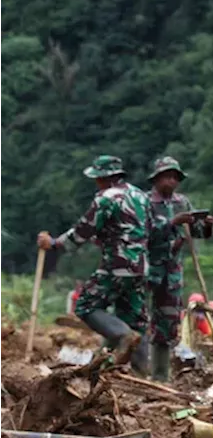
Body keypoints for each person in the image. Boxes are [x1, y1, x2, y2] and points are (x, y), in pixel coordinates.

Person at [38, 156, 152, 371]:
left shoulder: (106, 198)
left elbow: (82, 231)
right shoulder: (140, 196)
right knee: (136, 319)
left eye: (97, 179)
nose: (96, 184)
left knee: (86, 305)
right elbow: (142, 230)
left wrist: (54, 243)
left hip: (117, 265)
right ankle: (144, 374)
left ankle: (123, 336)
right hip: (140, 267)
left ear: (105, 178)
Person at [145, 156, 213, 381]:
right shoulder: (144, 202)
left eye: (174, 178)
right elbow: (142, 233)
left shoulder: (181, 202)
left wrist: (206, 226)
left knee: (167, 323)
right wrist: (172, 222)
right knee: (135, 317)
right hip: (146, 269)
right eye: (166, 177)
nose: (171, 182)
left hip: (172, 273)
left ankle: (159, 376)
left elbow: (196, 232)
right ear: (156, 179)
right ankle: (129, 368)